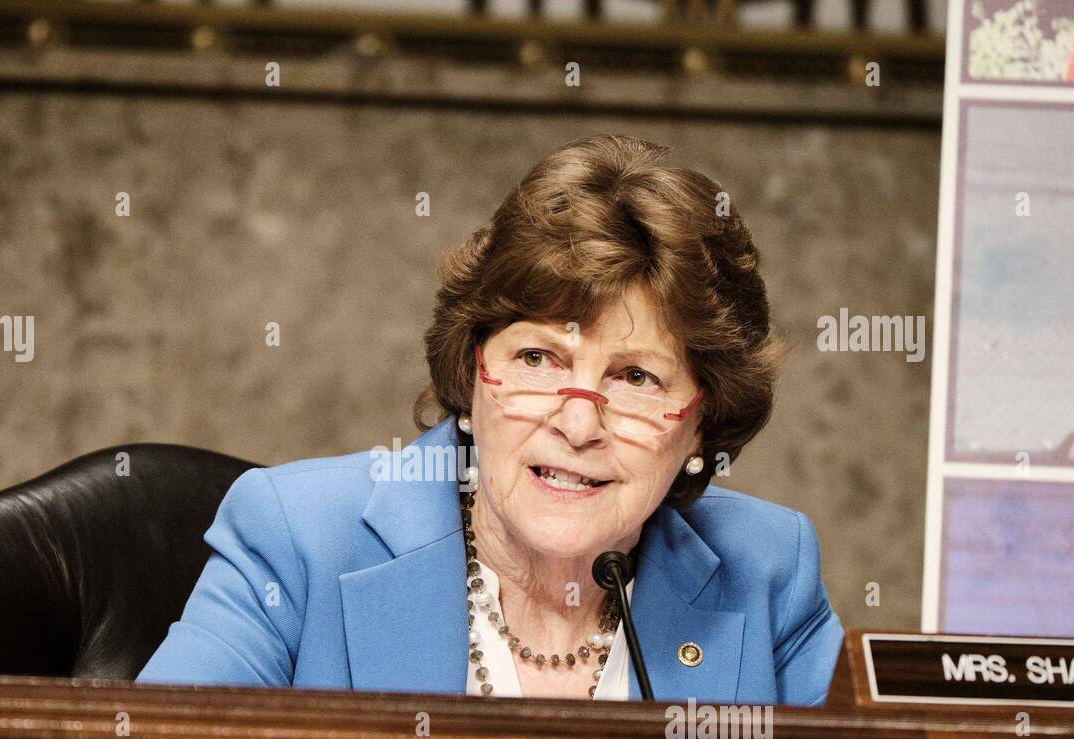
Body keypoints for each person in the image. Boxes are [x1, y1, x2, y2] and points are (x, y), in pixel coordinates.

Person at [137, 134, 843, 704]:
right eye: (538, 358)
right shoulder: (296, 539)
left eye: (634, 377)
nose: (577, 423)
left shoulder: (769, 570)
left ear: (701, 423)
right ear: (472, 369)